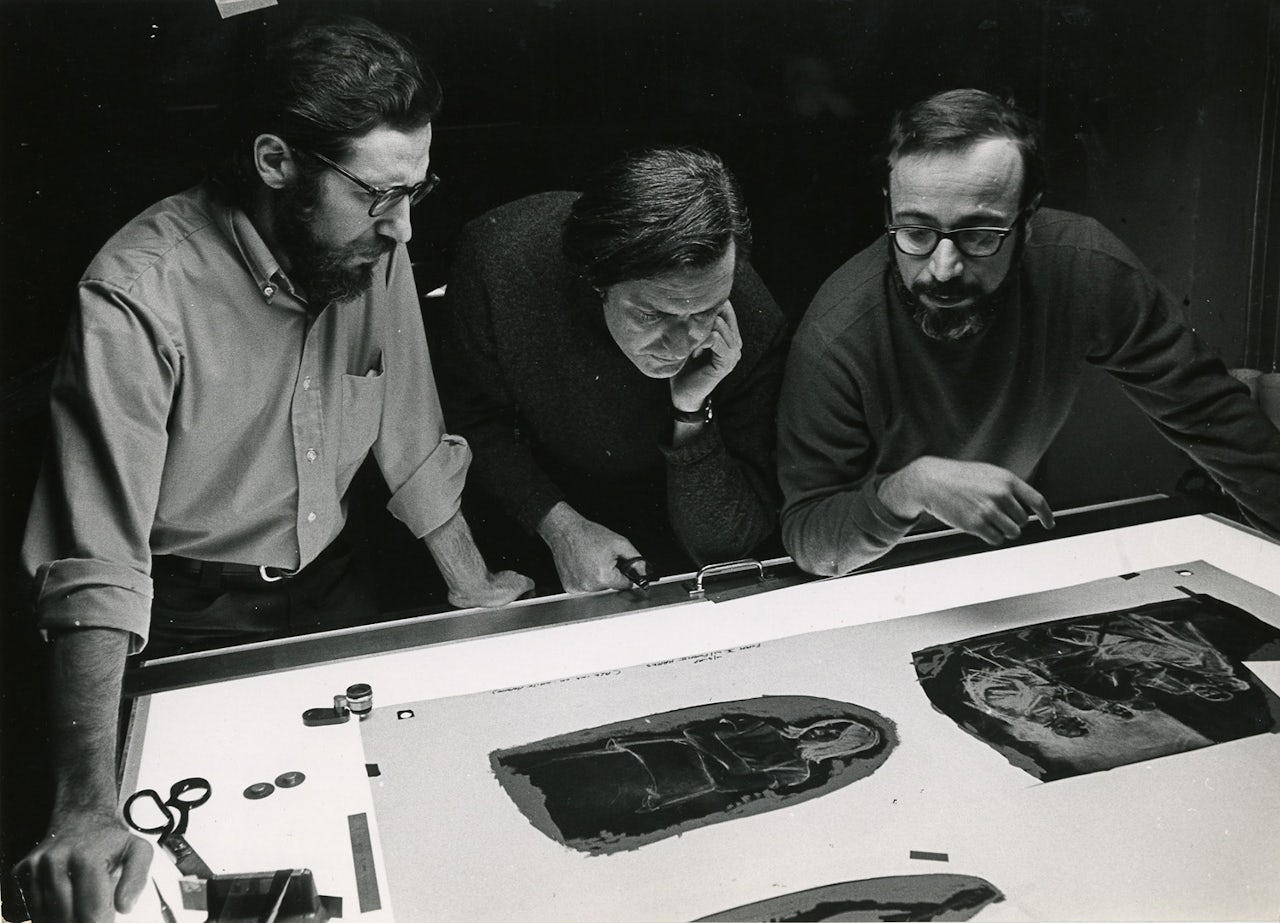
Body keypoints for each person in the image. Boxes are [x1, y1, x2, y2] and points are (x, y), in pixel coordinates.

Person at [15, 17, 531, 922]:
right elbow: (96, 559)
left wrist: (473, 583)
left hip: (335, 587)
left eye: (416, 190)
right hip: (181, 617)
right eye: (379, 195)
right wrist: (85, 807)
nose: (404, 227)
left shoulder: (378, 249)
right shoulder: (137, 293)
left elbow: (408, 428)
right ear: (274, 160)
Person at [777, 88, 1280, 576]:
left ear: (1028, 218)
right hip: (871, 579)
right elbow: (809, 539)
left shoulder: (1083, 267)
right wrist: (910, 487)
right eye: (916, 232)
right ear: (888, 211)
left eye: (978, 234)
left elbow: (1211, 413)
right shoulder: (836, 335)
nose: (943, 267)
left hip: (1010, 563)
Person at [434, 146, 790, 592]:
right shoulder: (502, 263)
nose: (684, 345)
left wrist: (690, 412)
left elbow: (727, 545)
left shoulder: (750, 325)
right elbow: (468, 417)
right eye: (652, 315)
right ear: (595, 279)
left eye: (705, 311)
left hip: (673, 545)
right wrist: (556, 525)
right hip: (525, 523)